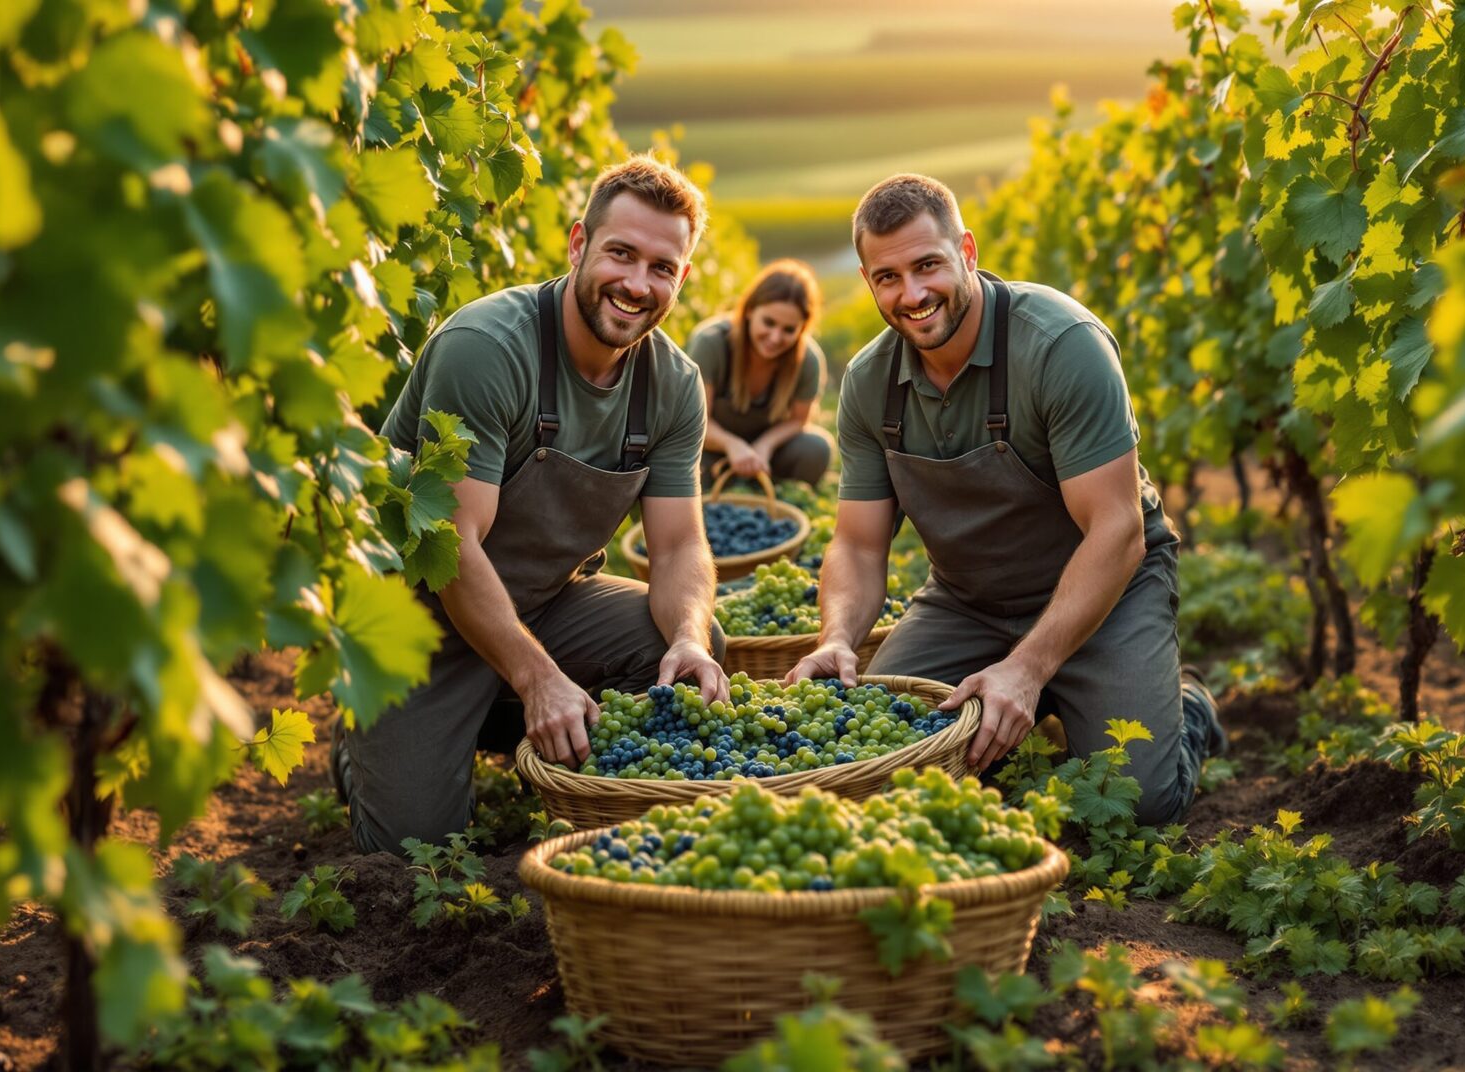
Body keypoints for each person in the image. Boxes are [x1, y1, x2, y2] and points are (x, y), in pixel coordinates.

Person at [788, 173, 1222, 826]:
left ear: (966, 251)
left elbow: (1117, 531)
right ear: (868, 279)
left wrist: (1026, 669)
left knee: (1138, 804)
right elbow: (857, 542)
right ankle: (1040, 697)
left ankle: (1183, 710)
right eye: (887, 277)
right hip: (969, 603)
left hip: (1107, 594)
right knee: (875, 762)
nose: (912, 294)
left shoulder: (1060, 346)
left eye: (927, 265)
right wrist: (838, 636)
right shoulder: (870, 382)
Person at [350, 156, 730, 853]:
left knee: (682, 655)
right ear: (579, 242)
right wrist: (538, 678)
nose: (637, 284)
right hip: (418, 625)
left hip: (546, 605)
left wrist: (688, 637)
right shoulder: (488, 349)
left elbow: (679, 547)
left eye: (662, 267)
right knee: (415, 847)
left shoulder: (673, 385)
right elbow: (452, 547)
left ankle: (539, 734)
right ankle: (377, 748)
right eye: (621, 253)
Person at [686, 260, 834, 485]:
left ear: (802, 328)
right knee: (678, 462)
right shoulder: (711, 342)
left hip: (767, 455)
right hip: (710, 447)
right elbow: (695, 422)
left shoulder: (808, 359)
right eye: (769, 322)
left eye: (788, 330)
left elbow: (798, 420)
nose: (775, 338)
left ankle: (769, 488)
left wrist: (765, 446)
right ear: (750, 310)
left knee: (816, 448)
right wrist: (732, 445)